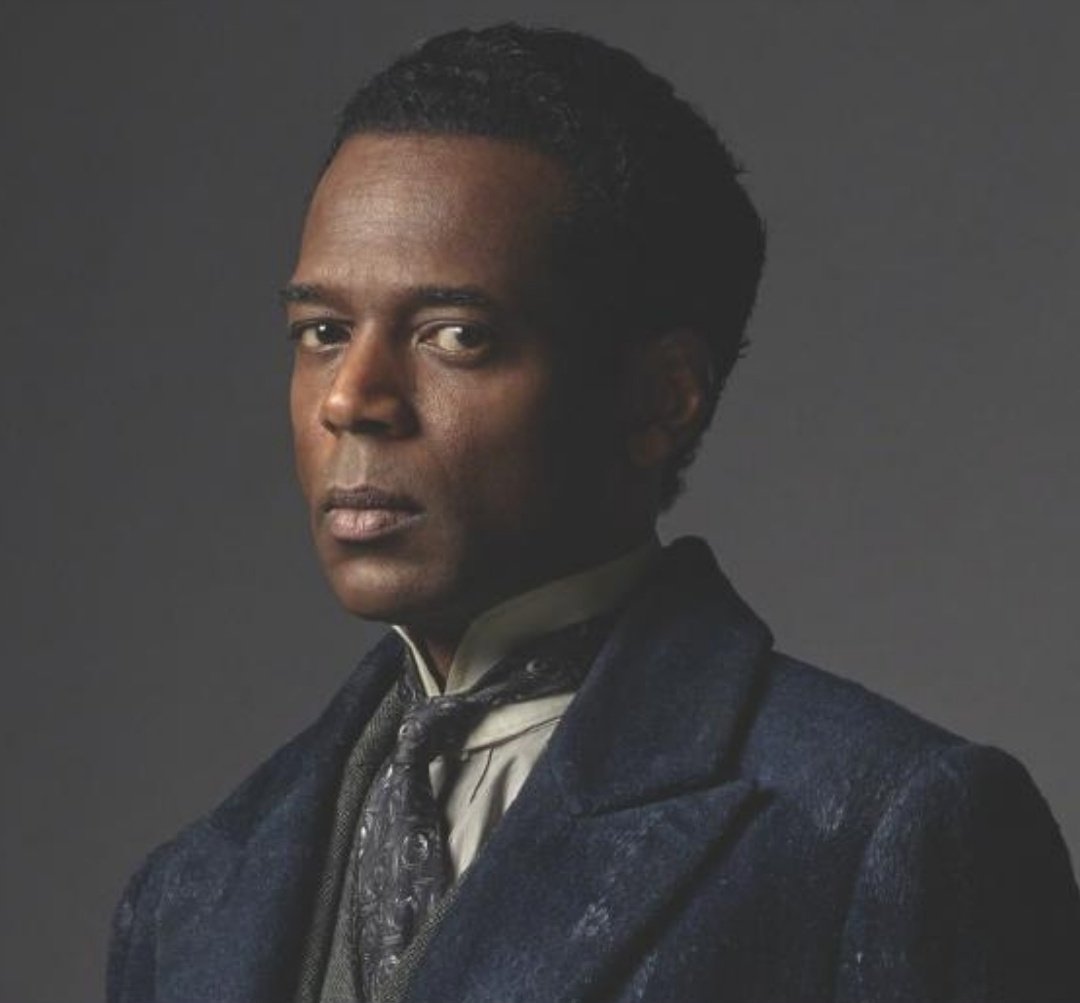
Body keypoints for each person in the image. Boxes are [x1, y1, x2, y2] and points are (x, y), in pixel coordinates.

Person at [106, 23, 1080, 1003]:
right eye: (322, 330)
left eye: (457, 335)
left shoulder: (890, 828)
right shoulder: (188, 893)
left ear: (661, 399)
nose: (351, 397)